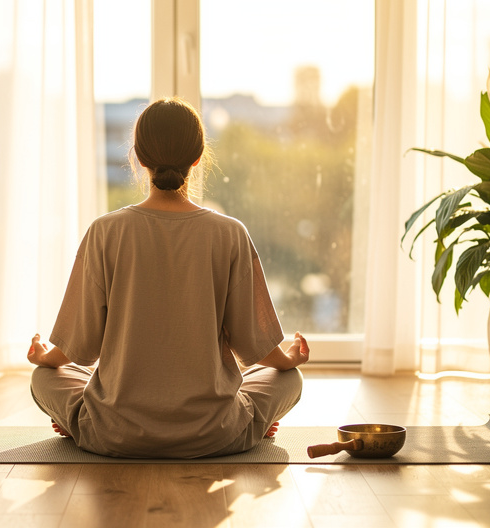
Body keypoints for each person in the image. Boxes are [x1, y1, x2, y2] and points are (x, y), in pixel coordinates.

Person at [27, 97, 309, 458]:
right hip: (215, 433)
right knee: (288, 381)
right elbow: (254, 345)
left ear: (138, 157)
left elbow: (77, 349)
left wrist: (45, 357)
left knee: (43, 379)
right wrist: (288, 361)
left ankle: (78, 422)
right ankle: (252, 424)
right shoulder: (230, 233)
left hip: (114, 433)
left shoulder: (104, 231)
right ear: (197, 157)